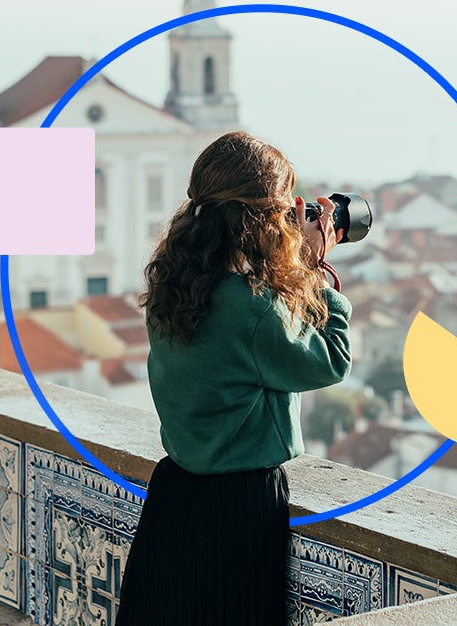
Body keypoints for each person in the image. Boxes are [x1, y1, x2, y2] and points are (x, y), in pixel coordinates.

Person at [114, 131, 352, 625]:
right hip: (238, 506)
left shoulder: (173, 287)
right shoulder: (253, 308)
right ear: (262, 220)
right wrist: (314, 272)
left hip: (174, 496)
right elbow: (330, 360)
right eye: (286, 209)